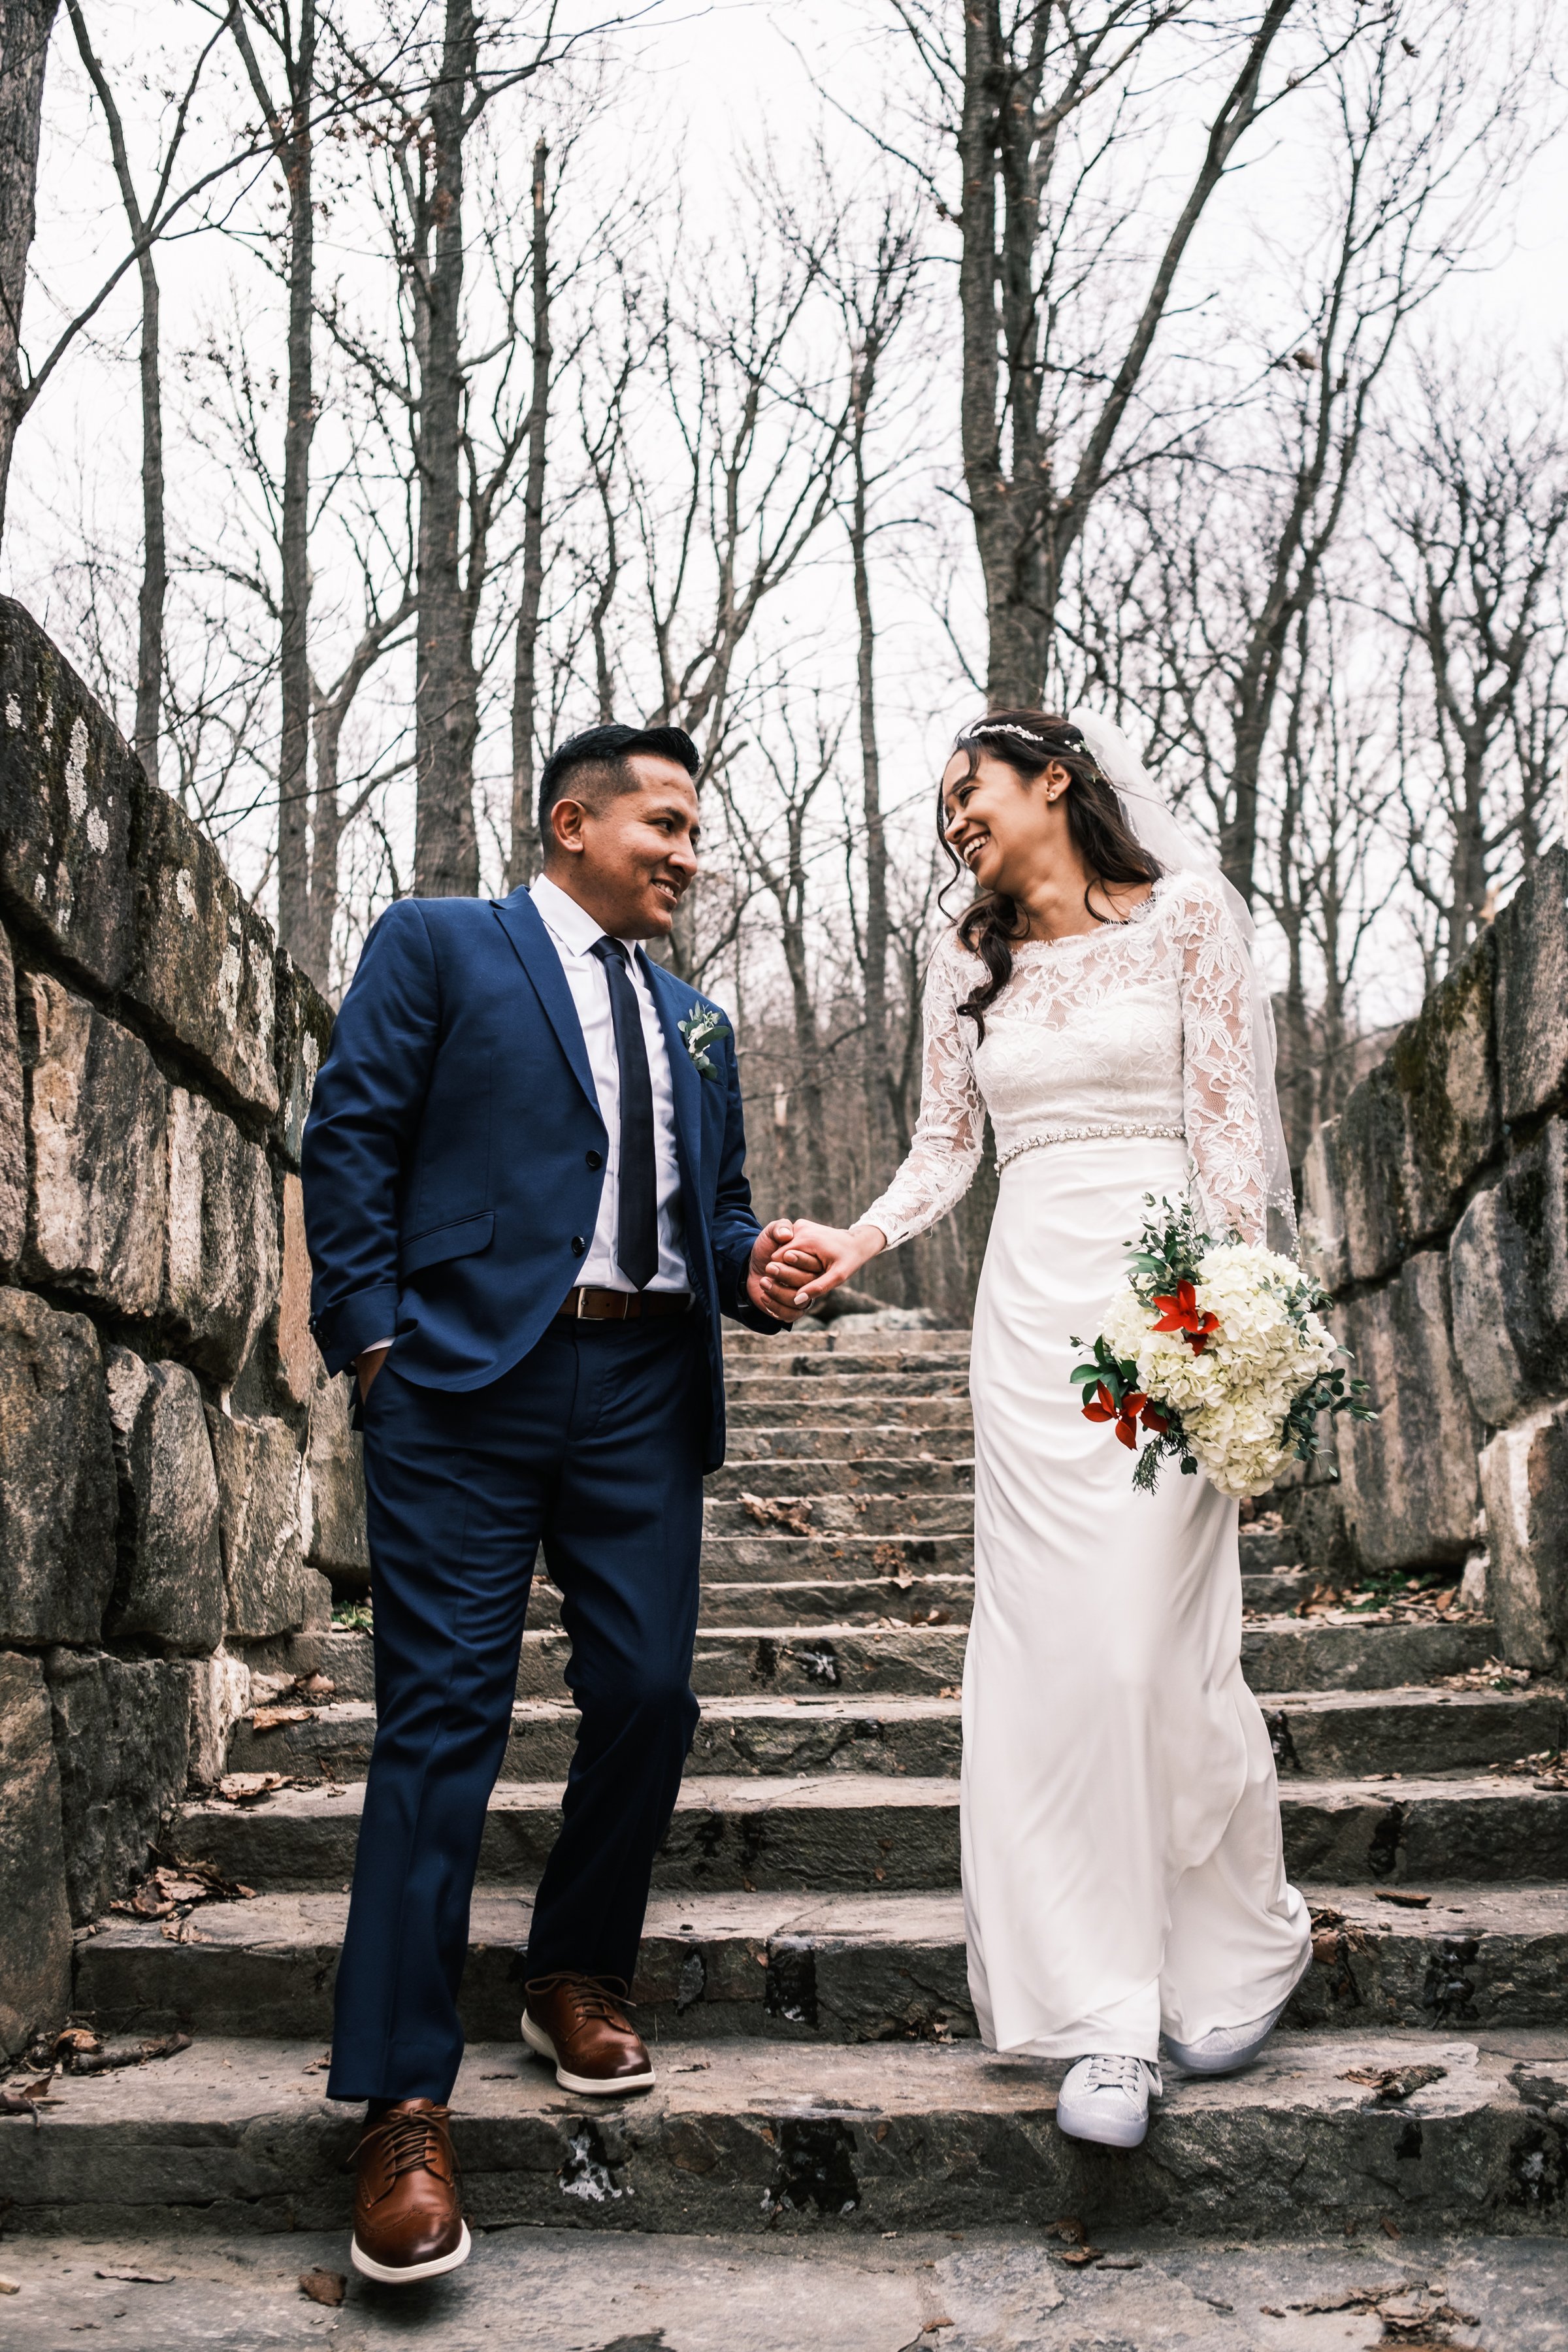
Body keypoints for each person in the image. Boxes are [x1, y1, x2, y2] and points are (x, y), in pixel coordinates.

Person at [301, 722, 815, 2283]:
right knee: (441, 1721)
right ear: (572, 823)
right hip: (461, 1391)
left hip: (646, 1389)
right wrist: (375, 1346)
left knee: (651, 1695)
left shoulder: (701, 1017)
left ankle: (574, 1969)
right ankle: (399, 2100)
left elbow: (708, 1209)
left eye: (694, 830)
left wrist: (752, 1265)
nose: (687, 852)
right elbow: (353, 1139)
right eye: (663, 823)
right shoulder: (443, 943)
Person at [772, 709, 1311, 2151]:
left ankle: (1237, 1935)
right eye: (941, 803)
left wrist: (1227, 1327)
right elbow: (950, 1149)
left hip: (1164, 1314)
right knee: (1055, 1659)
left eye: (973, 789)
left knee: (1148, 1651)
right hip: (1028, 1324)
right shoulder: (966, 957)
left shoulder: (1190, 915)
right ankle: (1100, 2015)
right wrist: (857, 1239)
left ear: (1054, 783)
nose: (954, 817)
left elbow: (1229, 1136)